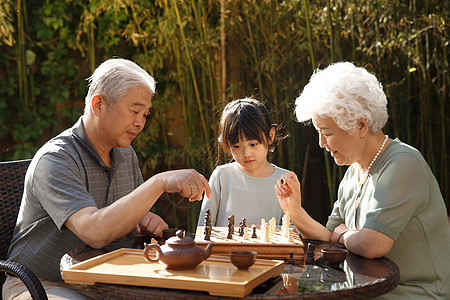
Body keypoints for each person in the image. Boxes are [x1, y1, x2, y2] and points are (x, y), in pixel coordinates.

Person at [3, 58, 210, 300]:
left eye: (145, 114)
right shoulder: (56, 159)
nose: (140, 122)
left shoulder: (125, 153)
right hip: (44, 285)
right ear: (98, 104)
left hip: (105, 282)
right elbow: (95, 232)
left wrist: (140, 217)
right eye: (134, 111)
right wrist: (159, 182)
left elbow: (116, 215)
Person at [275, 62, 450, 299]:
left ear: (360, 124)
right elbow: (328, 238)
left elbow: (372, 245)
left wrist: (343, 235)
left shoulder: (402, 163)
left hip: (413, 293)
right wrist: (294, 211)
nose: (321, 144)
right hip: (366, 291)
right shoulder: (353, 171)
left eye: (326, 133)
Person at [198, 98, 289, 227]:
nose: (246, 154)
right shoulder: (221, 176)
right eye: (237, 146)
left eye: (253, 144)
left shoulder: (284, 179)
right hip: (224, 247)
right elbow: (204, 226)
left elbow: (292, 229)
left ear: (270, 136)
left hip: (269, 247)